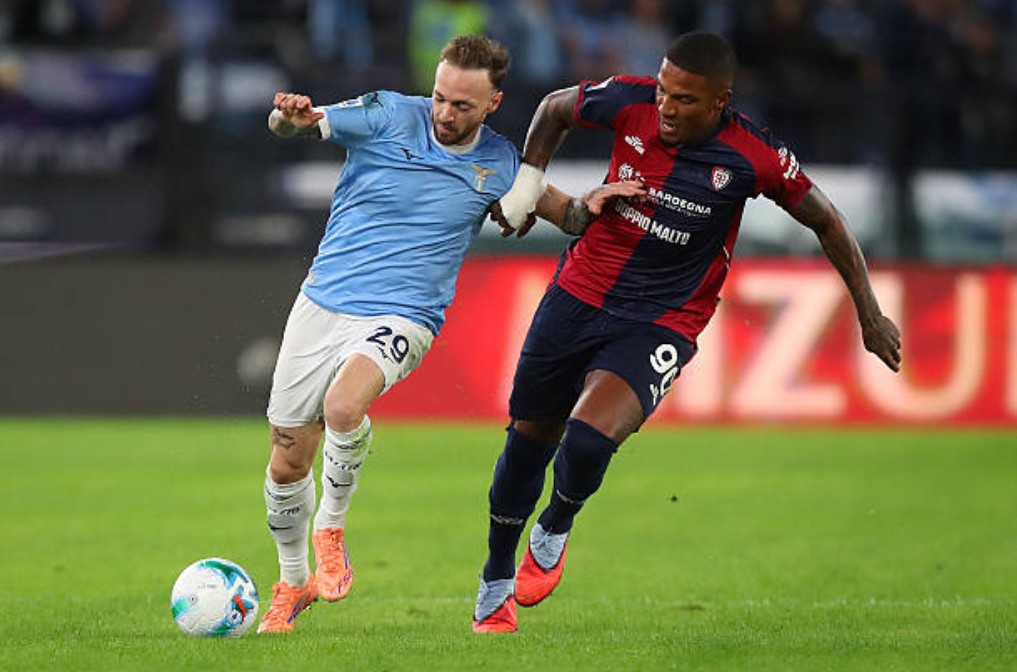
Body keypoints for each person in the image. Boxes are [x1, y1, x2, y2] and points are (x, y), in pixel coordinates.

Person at [473, 30, 903, 633]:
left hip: (662, 319)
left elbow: (827, 220)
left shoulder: (752, 155)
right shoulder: (628, 100)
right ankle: (495, 577)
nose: (666, 108)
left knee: (588, 442)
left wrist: (869, 313)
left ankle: (555, 525)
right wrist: (527, 185)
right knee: (527, 443)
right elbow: (553, 108)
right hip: (577, 295)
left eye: (684, 100)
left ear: (720, 101)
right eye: (663, 91)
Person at [255, 32, 640, 634]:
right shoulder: (386, 113)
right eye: (440, 97)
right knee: (286, 460)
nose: (445, 113)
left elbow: (563, 214)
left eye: (462, 105)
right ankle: (293, 580)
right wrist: (289, 115)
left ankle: (331, 526)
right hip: (322, 302)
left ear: (492, 103)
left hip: (404, 315)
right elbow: (294, 127)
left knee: (343, 406)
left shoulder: (501, 164)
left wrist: (593, 203)